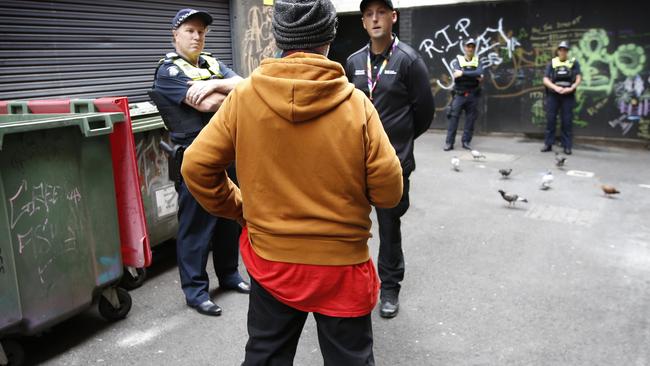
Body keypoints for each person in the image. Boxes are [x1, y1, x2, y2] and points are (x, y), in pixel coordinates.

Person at [181, 0, 403, 363]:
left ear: (278, 37)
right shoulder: (356, 105)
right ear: (330, 37)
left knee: (266, 357)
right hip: (342, 268)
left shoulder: (245, 97)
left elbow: (197, 166)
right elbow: (389, 191)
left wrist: (239, 208)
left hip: (272, 263)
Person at [149, 8, 250, 317]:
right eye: (190, 30)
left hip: (226, 151)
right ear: (175, 35)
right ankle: (195, 291)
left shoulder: (211, 63)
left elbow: (247, 85)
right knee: (196, 227)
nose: (197, 36)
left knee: (229, 219)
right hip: (194, 157)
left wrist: (214, 86)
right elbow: (209, 103)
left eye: (201, 31)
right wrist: (225, 89)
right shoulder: (168, 72)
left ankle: (230, 275)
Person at [345, 0, 434, 319]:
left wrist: (399, 144)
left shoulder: (409, 60)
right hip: (356, 163)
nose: (375, 18)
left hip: (392, 164)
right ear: (363, 23)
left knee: (389, 226)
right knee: (350, 226)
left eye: (381, 12)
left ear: (393, 17)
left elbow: (424, 113)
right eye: (368, 14)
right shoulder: (354, 62)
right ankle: (352, 285)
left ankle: (390, 288)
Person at [541, 41, 582, 155]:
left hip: (568, 95)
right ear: (558, 51)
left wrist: (572, 87)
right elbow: (545, 79)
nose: (563, 52)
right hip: (553, 94)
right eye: (561, 49)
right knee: (550, 119)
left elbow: (578, 78)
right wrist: (555, 87)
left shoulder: (574, 63)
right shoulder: (552, 63)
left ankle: (567, 146)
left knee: (567, 121)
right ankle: (548, 144)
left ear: (567, 51)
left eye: (565, 50)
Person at [443, 38, 484, 151]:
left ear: (474, 48)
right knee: (453, 119)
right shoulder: (458, 60)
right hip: (459, 95)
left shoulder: (477, 61)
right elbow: (456, 74)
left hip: (473, 95)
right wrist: (472, 75)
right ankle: (449, 143)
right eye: (468, 46)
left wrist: (463, 73)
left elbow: (479, 73)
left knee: (470, 120)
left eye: (472, 47)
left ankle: (466, 142)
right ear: (465, 48)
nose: (470, 48)